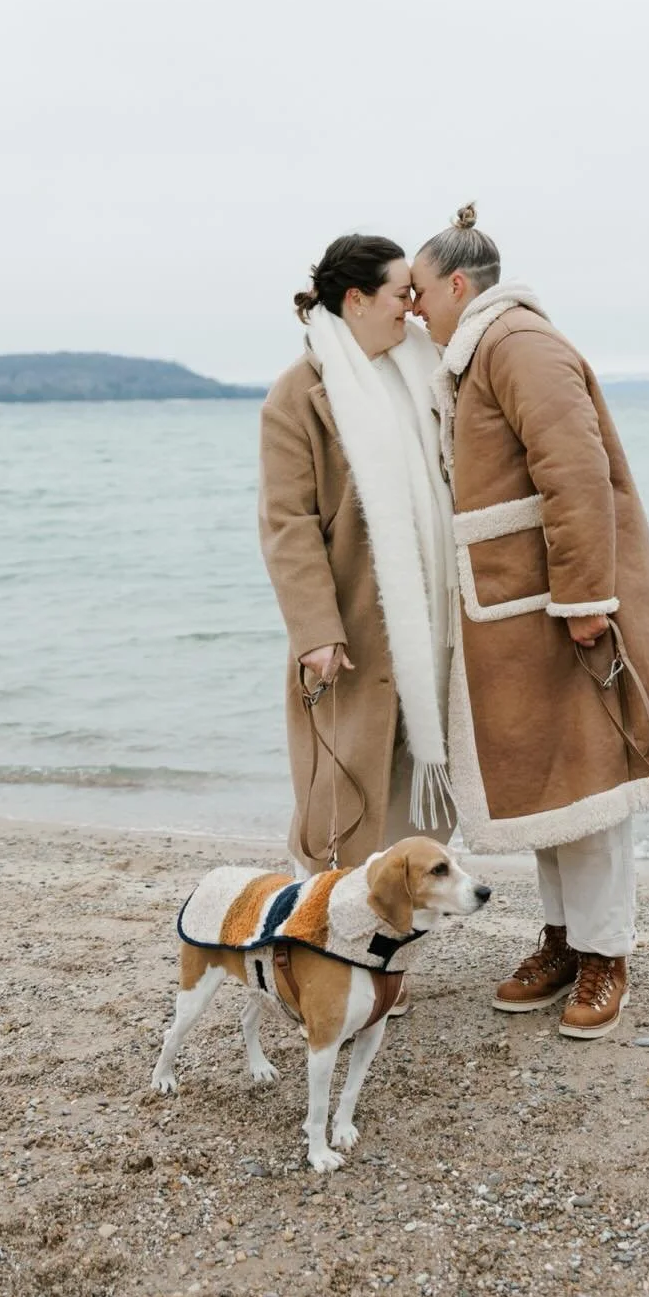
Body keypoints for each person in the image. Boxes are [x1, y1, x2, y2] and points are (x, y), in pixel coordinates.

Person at [410, 204, 649, 1038]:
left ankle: (605, 955)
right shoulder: (478, 354)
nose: (412, 307)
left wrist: (586, 599)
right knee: (551, 786)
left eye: (418, 290)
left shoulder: (518, 346)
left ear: (457, 284)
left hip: (563, 609)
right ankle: (562, 939)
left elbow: (576, 473)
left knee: (591, 784)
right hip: (518, 608)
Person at [258, 233, 457, 878]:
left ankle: (393, 944)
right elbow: (288, 524)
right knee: (340, 792)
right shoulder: (301, 393)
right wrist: (315, 631)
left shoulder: (424, 371)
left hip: (434, 626)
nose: (413, 307)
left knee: (419, 792)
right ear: (357, 298)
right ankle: (321, 936)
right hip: (351, 629)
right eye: (402, 293)